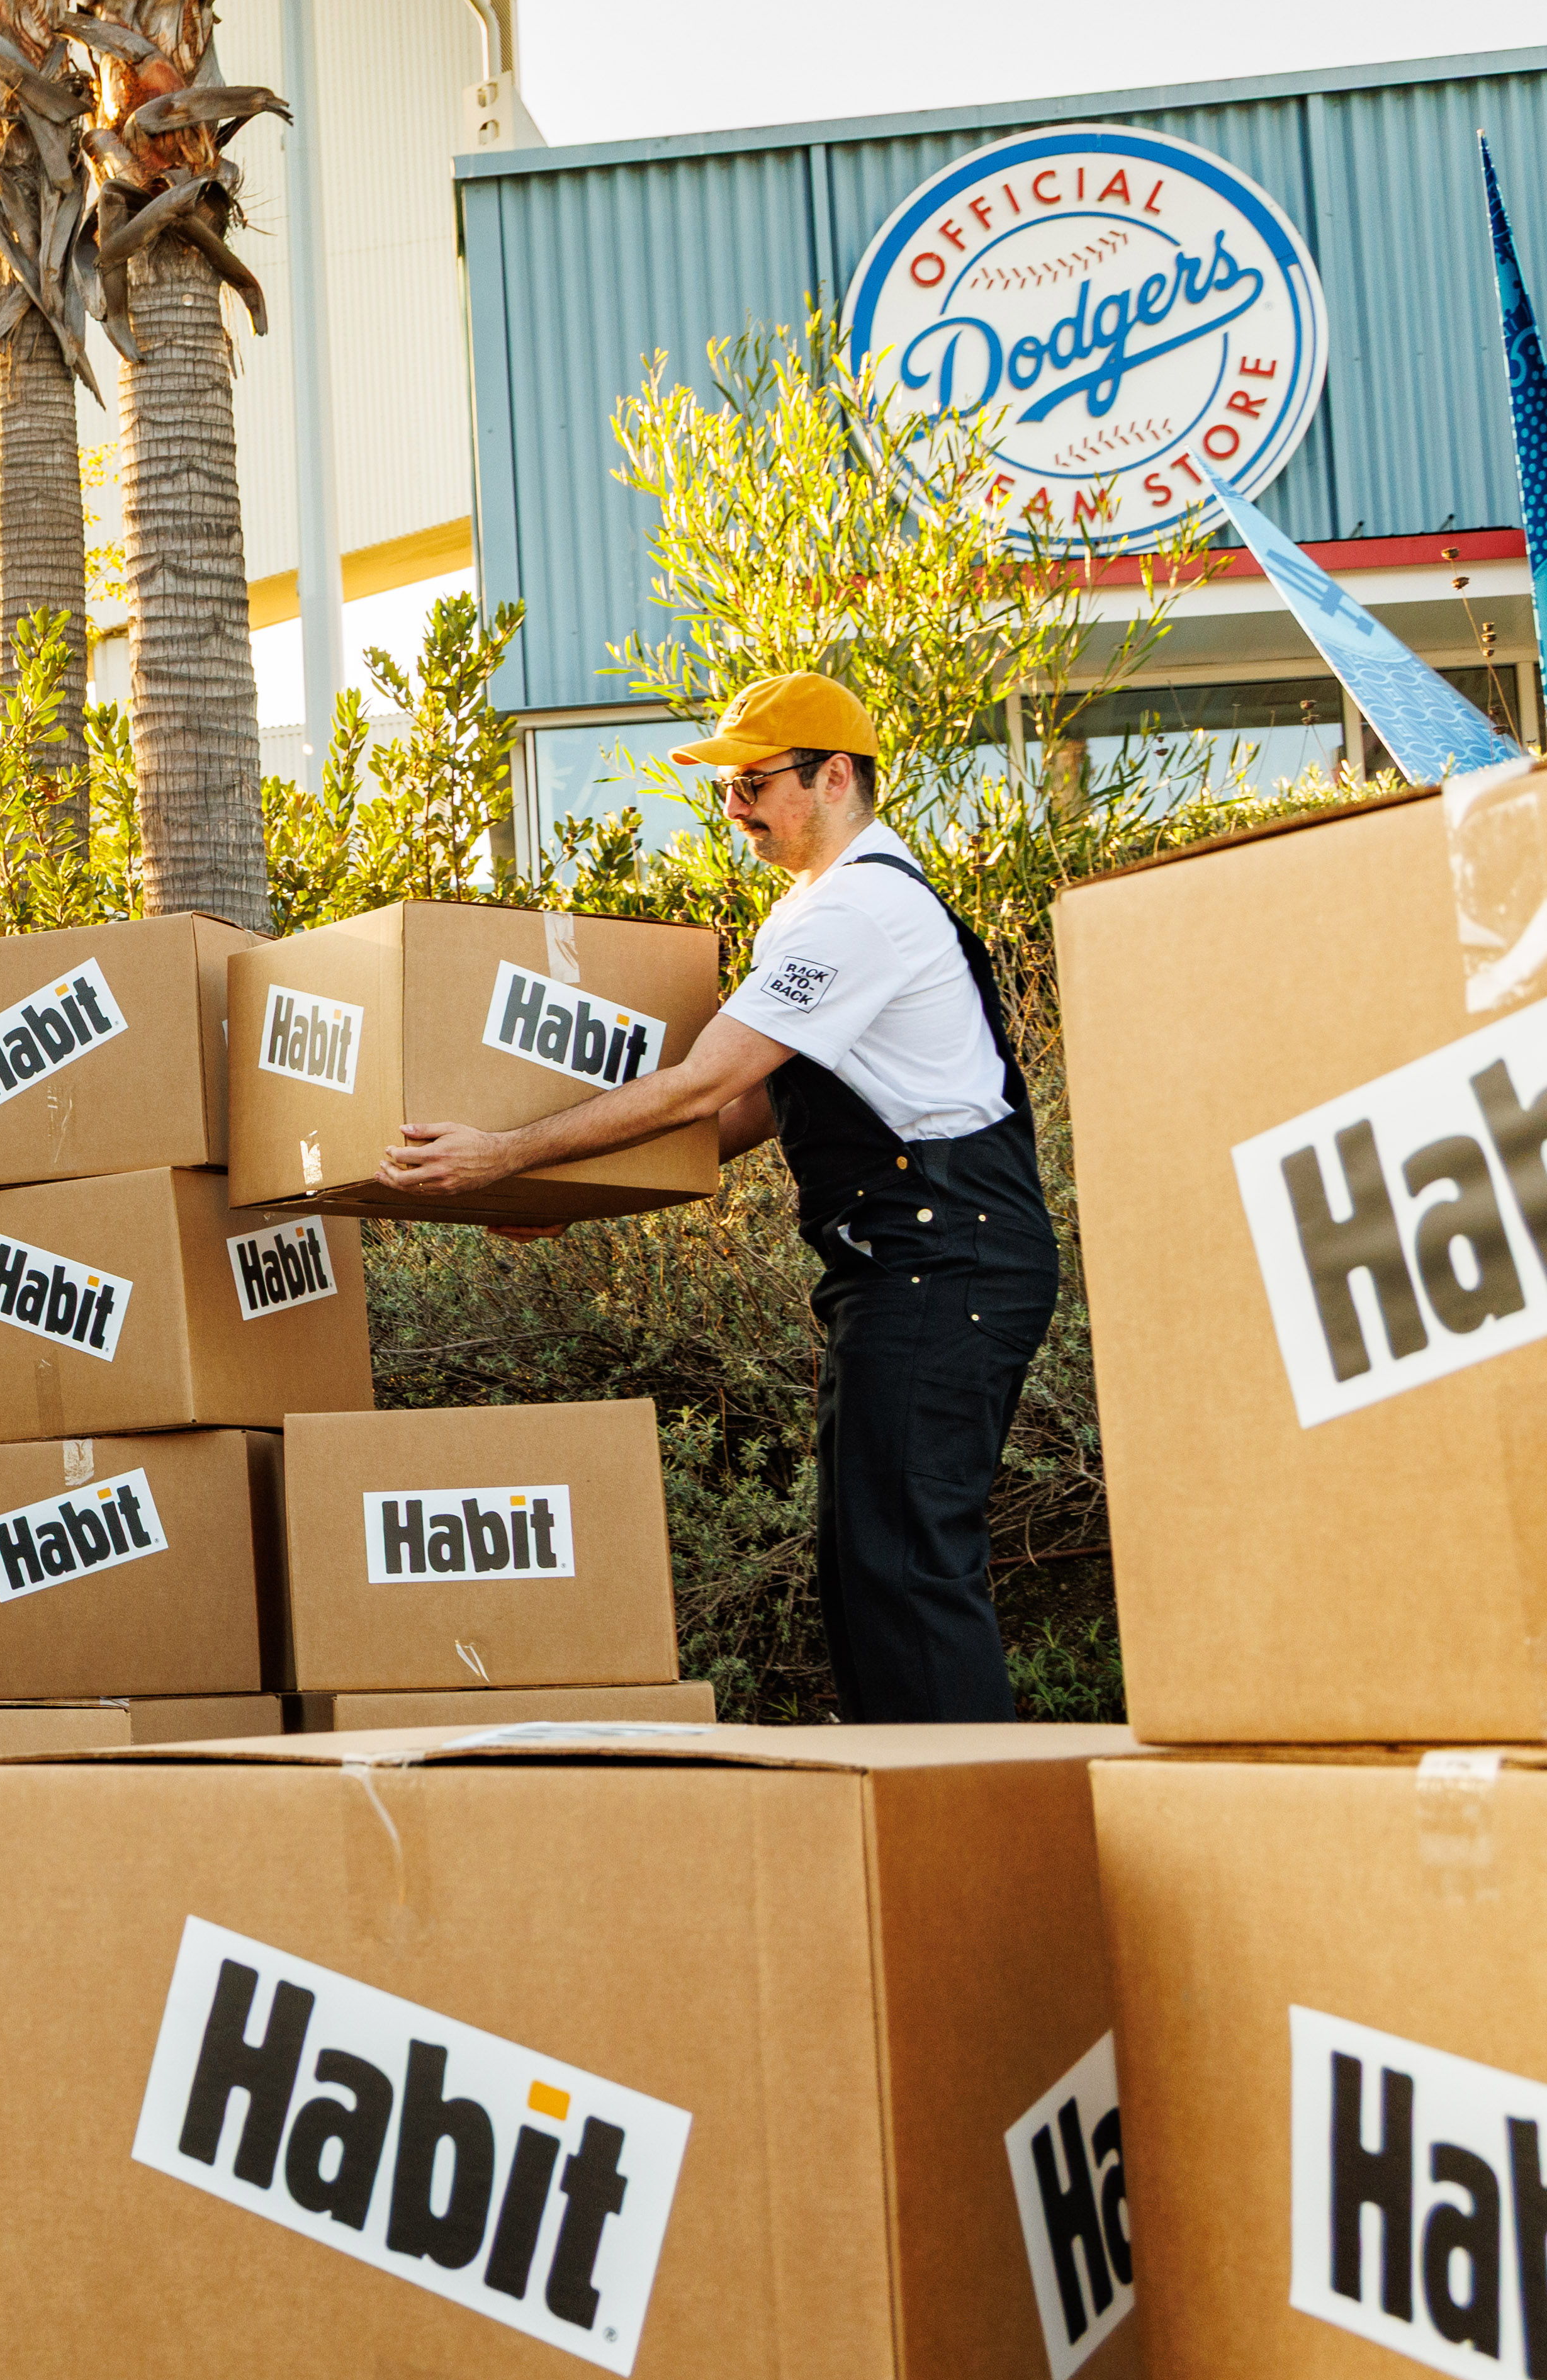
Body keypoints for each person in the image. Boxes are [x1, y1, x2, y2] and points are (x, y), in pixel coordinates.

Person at [374, 672, 1049, 1723]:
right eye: (726, 788)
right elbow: (758, 1111)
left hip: (945, 1260)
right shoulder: (812, 911)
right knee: (868, 1562)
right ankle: (914, 1807)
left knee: (908, 1567)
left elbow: (701, 1083)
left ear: (836, 778)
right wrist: (573, 1194)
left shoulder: (861, 910)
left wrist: (507, 1155)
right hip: (907, 1264)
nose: (734, 808)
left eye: (754, 784)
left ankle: (971, 1832)